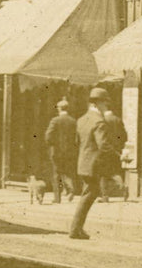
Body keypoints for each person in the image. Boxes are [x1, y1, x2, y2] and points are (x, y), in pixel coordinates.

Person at [68, 87, 128, 240]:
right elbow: (104, 145)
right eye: (105, 104)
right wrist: (119, 156)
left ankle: (77, 229)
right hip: (94, 165)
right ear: (99, 103)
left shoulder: (81, 119)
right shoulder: (99, 121)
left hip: (83, 163)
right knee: (89, 195)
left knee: (88, 194)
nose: (106, 107)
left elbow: (76, 142)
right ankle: (75, 229)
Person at [44, 100, 78, 204]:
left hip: (57, 152)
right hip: (70, 152)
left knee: (57, 174)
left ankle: (57, 198)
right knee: (68, 172)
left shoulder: (55, 120)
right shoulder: (73, 121)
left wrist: (52, 145)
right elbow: (77, 138)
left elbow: (48, 136)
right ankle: (71, 189)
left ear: (59, 108)